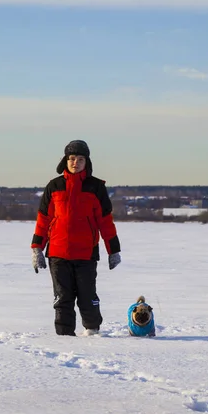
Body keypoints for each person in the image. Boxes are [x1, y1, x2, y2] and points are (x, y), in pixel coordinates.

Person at [31, 140, 121, 336]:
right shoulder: (54, 186)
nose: (75, 163)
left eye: (80, 159)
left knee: (87, 296)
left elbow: (105, 221)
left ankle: (92, 330)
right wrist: (37, 248)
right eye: (72, 159)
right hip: (57, 253)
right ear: (65, 160)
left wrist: (113, 250)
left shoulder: (95, 187)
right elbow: (43, 220)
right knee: (62, 298)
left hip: (86, 253)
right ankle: (64, 337)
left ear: (86, 162)